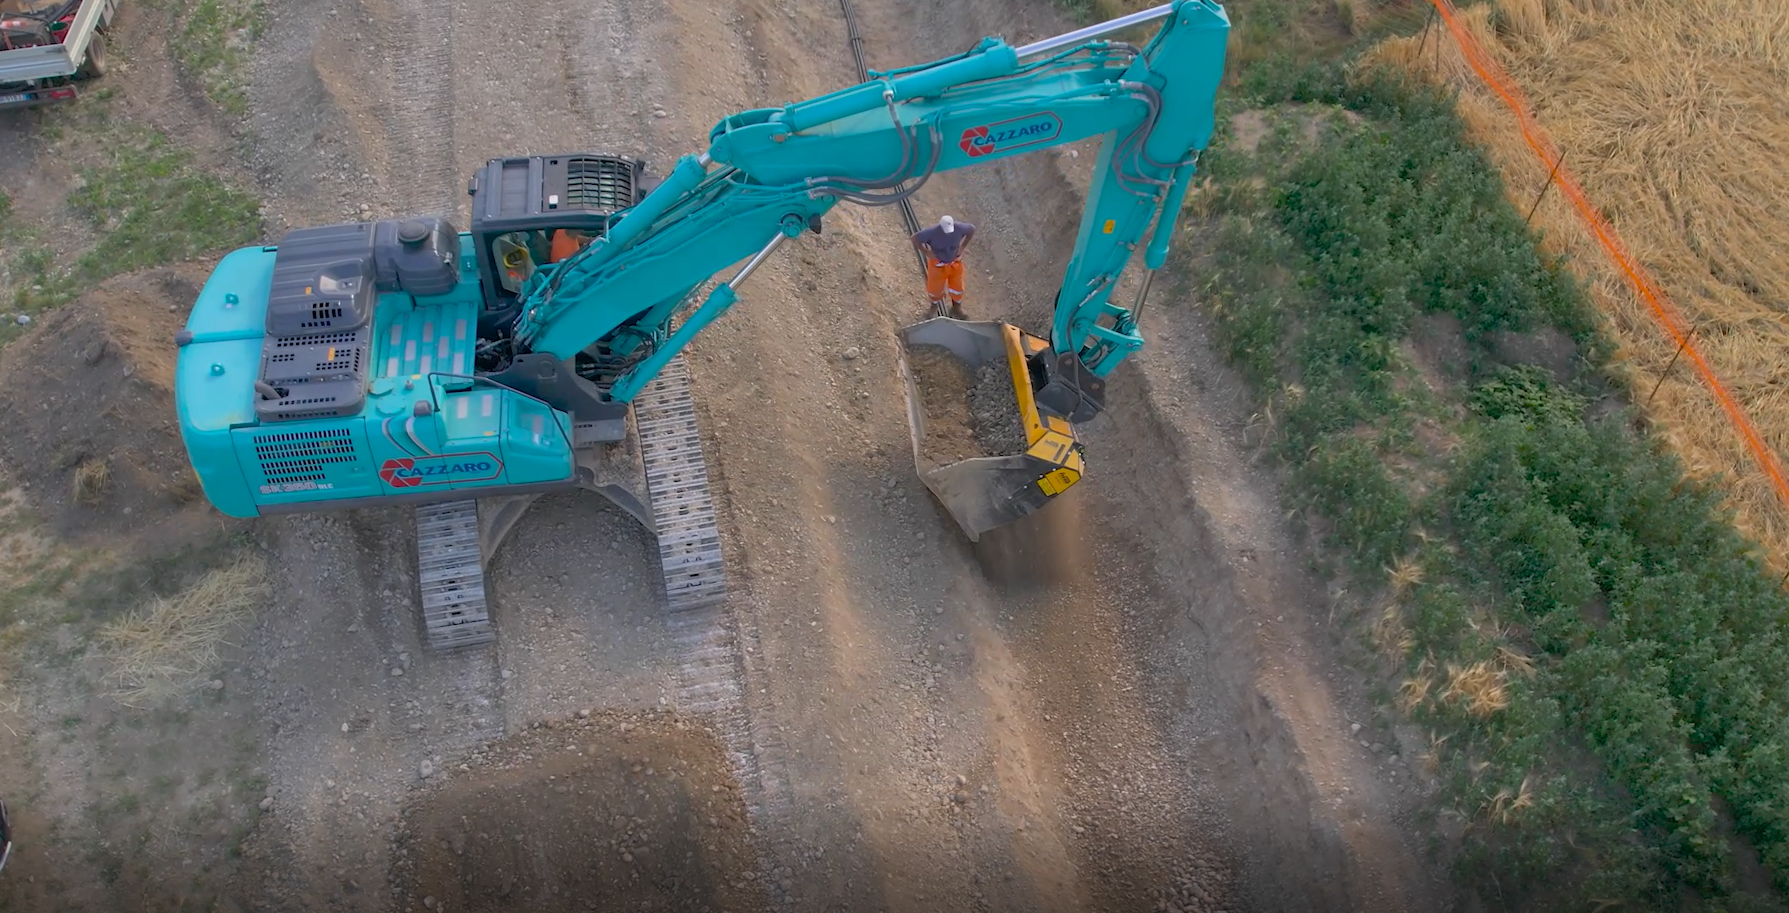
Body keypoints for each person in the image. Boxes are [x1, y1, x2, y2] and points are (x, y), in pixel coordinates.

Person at [910, 215, 975, 319]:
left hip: (954, 263)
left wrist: (962, 247)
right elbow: (915, 238)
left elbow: (971, 229)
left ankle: (956, 308)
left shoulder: (959, 228)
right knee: (935, 289)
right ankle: (934, 308)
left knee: (957, 288)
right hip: (938, 265)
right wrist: (926, 252)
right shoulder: (931, 233)